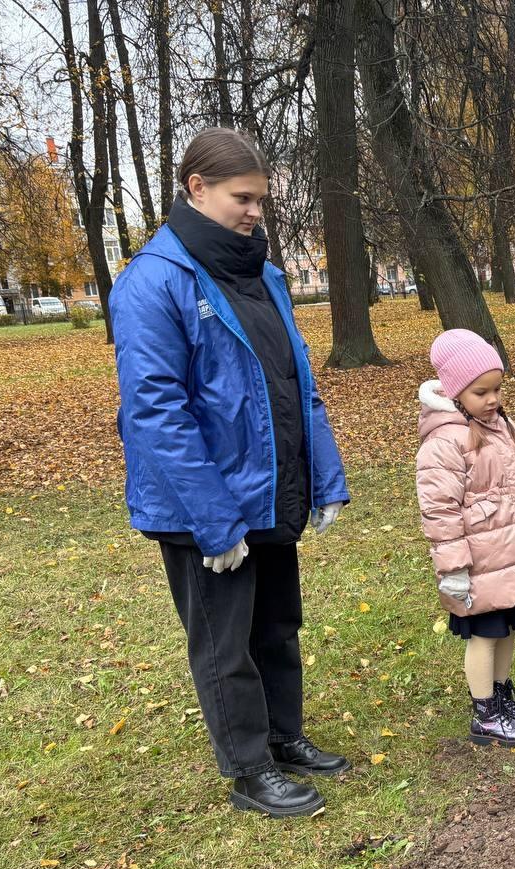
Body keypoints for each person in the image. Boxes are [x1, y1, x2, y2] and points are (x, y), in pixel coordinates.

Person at [111, 127, 350, 818]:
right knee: (225, 642)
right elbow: (156, 412)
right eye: (243, 198)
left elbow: (297, 382)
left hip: (268, 486)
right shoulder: (154, 281)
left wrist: (325, 474)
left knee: (276, 624)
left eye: (260, 200)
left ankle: (282, 736)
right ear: (197, 188)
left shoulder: (263, 275)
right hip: (203, 507)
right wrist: (214, 521)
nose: (255, 212)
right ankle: (249, 769)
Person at [415, 328, 515, 747]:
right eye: (481, 392)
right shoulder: (444, 441)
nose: (492, 399)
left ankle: (502, 698)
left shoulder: (501, 425)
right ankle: (485, 715)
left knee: (508, 628)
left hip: (508, 555)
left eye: (497, 389)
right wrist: (454, 568)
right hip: (477, 564)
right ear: (455, 391)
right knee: (485, 635)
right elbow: (439, 510)